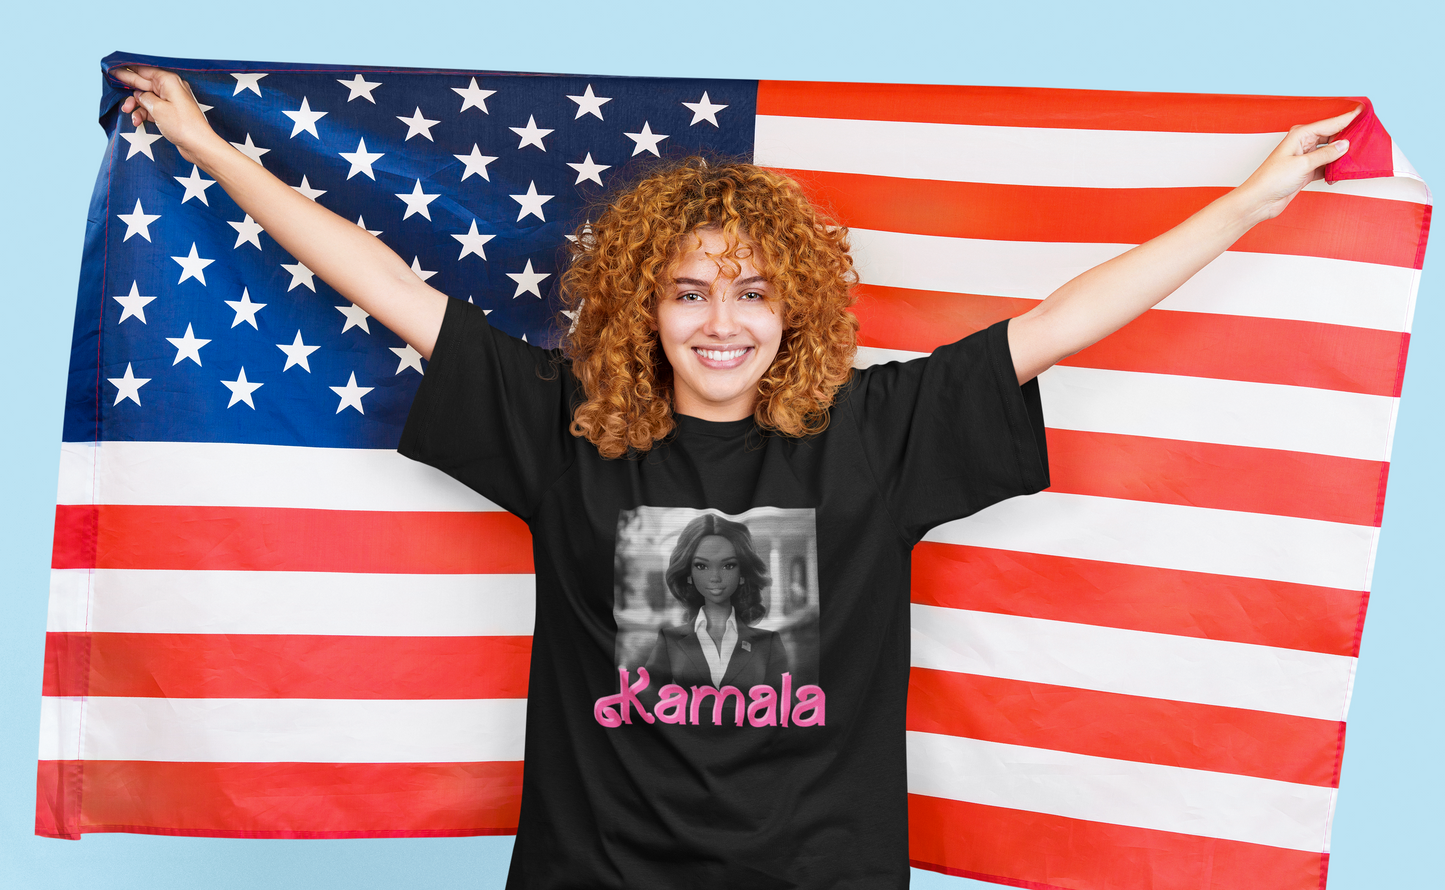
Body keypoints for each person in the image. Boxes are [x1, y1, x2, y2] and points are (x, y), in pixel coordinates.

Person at [114, 65, 1357, 890]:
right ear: (644, 308)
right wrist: (207, 145)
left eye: (752, 292)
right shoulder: (569, 427)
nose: (722, 321)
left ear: (792, 311)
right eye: (690, 290)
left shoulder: (880, 429)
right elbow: (384, 285)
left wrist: (1246, 203)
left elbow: (1070, 317)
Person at [644, 513, 790, 693]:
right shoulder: (669, 641)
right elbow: (647, 706)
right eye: (701, 566)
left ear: (742, 574)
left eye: (728, 565)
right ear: (689, 575)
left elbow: (784, 713)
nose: (715, 577)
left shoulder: (768, 644)